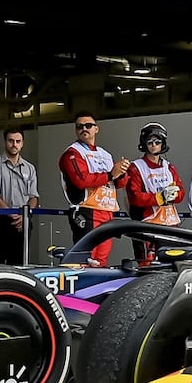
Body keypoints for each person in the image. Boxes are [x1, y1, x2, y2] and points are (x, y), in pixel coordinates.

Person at [58, 111, 130, 267]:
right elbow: (81, 180)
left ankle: (99, 291)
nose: (84, 129)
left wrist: (122, 172)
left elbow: (118, 184)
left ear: (96, 129)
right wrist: (112, 173)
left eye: (88, 125)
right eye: (80, 127)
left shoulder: (105, 154)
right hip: (86, 210)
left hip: (107, 211)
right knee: (86, 259)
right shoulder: (72, 153)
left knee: (101, 261)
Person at [125, 122, 185, 263]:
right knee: (148, 266)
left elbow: (181, 192)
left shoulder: (169, 166)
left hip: (171, 225)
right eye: (150, 142)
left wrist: (175, 195)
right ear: (144, 144)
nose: (153, 145)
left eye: (157, 142)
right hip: (148, 226)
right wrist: (159, 197)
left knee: (171, 263)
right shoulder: (136, 167)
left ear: (162, 143)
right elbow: (135, 197)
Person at [0, 127, 40, 265]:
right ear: (5, 142)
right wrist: (12, 215)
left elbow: (33, 197)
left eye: (18, 141)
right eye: (11, 141)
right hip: (2, 221)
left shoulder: (30, 168)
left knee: (20, 264)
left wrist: (25, 216)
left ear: (22, 143)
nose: (14, 144)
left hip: (24, 222)